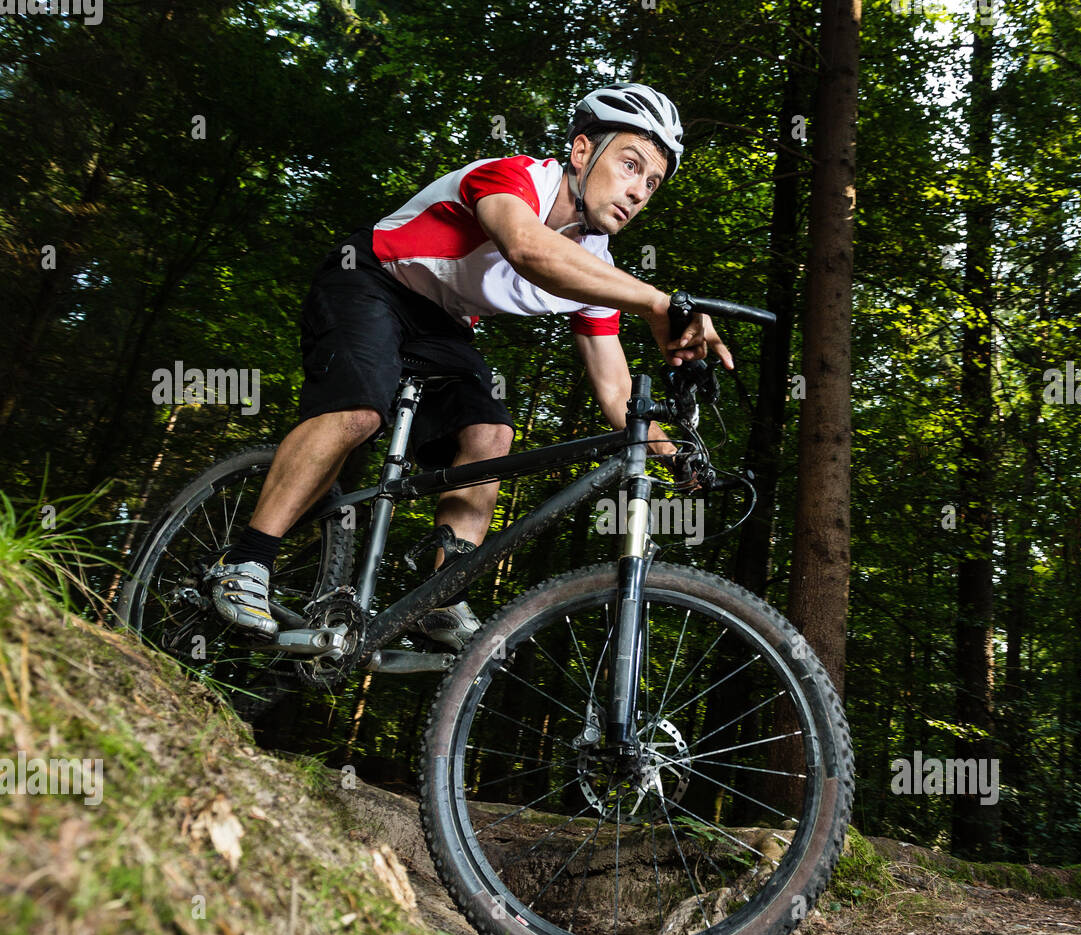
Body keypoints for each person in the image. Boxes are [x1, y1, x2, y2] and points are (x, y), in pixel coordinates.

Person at [206, 82, 732, 651]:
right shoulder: (513, 177)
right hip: (371, 278)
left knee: (491, 432)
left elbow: (615, 392)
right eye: (630, 165)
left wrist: (677, 457)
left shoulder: (596, 271)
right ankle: (245, 561)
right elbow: (529, 249)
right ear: (582, 151)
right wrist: (658, 302)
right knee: (359, 412)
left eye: (651, 182)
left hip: (443, 324)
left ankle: (440, 595)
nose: (638, 191)